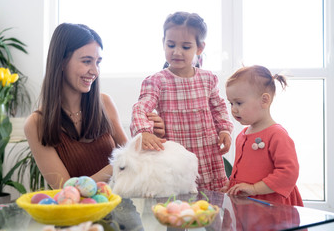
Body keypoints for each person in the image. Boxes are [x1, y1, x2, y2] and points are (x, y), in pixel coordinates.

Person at [24, 23, 165, 189]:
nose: (95, 71)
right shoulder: (36, 124)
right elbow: (65, 191)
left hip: (121, 207)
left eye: (98, 62)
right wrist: (120, 163)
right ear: (61, 62)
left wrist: (150, 137)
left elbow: (133, 161)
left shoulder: (105, 104)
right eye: (86, 61)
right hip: (79, 213)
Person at [130, 12, 234, 191]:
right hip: (177, 158)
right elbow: (141, 107)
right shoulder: (156, 81)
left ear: (199, 48)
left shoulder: (208, 79)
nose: (176, 52)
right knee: (179, 202)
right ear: (163, 43)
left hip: (208, 153)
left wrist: (224, 129)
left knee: (214, 207)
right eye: (171, 45)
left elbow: (219, 107)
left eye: (186, 47)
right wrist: (144, 132)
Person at [221, 65, 303, 206]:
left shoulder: (277, 135)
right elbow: (243, 170)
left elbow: (288, 172)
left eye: (239, 103)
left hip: (273, 205)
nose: (233, 109)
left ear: (264, 100)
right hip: (250, 204)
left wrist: (254, 189)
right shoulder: (242, 135)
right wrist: (232, 185)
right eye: (231, 103)